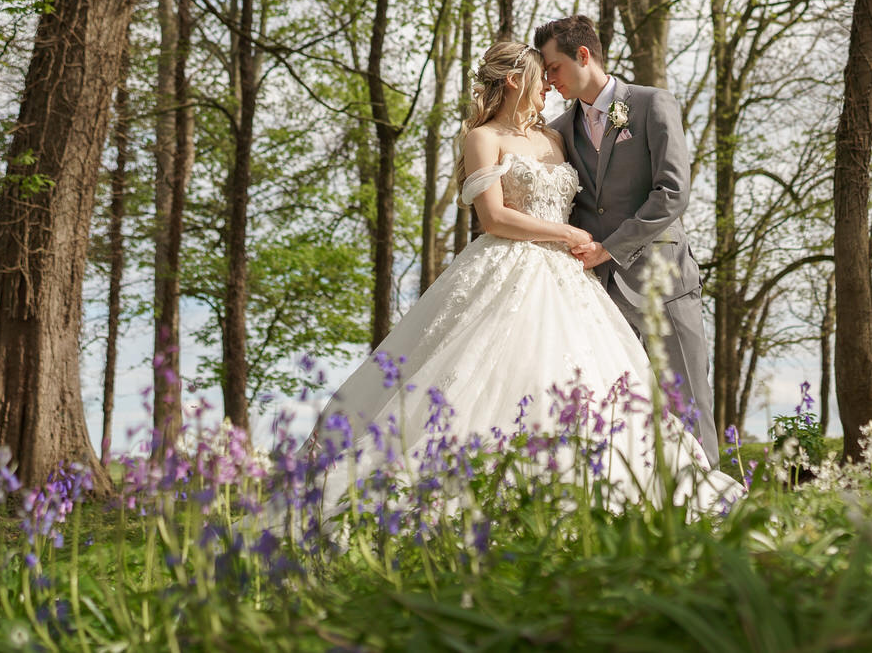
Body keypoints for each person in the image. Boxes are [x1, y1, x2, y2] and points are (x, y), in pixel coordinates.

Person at [292, 40, 737, 527]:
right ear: (513, 80)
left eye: (553, 72)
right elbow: (496, 217)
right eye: (541, 75)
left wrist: (596, 245)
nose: (549, 83)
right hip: (508, 267)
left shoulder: (556, 137)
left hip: (571, 281)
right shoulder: (482, 137)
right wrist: (565, 233)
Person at [535, 15, 719, 465]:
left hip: (664, 284)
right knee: (622, 414)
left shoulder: (653, 104)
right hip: (597, 295)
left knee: (687, 404)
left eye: (553, 67)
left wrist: (610, 247)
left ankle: (715, 516)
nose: (548, 78)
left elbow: (672, 192)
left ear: (584, 55)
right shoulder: (559, 129)